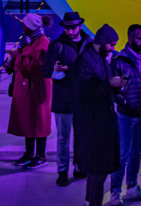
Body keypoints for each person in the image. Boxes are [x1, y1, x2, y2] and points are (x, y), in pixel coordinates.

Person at [72, 24, 123, 206]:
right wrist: (110, 85)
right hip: (92, 126)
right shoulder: (85, 61)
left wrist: (118, 89)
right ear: (101, 42)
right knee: (98, 171)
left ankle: (89, 201)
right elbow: (84, 92)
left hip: (102, 123)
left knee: (98, 170)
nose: (113, 49)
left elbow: (103, 86)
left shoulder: (101, 59)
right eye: (111, 44)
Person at [45, 11, 92, 186]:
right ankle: (62, 171)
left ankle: (80, 167)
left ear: (80, 26)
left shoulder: (89, 44)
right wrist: (54, 69)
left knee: (82, 136)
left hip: (84, 100)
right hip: (64, 100)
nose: (70, 31)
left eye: (73, 27)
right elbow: (45, 70)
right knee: (63, 138)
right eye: (67, 28)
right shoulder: (56, 45)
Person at [110, 24, 141, 204]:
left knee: (136, 153)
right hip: (125, 116)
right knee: (123, 154)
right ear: (130, 38)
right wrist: (123, 101)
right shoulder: (119, 60)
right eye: (139, 38)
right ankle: (115, 191)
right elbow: (111, 87)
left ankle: (133, 186)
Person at [7, 13, 53, 169]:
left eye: (24, 25)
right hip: (26, 87)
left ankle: (40, 155)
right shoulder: (26, 41)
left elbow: (38, 65)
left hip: (38, 87)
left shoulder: (43, 42)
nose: (22, 27)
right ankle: (29, 153)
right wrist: (13, 61)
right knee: (27, 119)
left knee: (39, 120)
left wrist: (17, 58)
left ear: (31, 26)